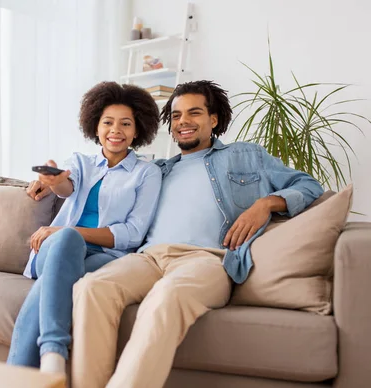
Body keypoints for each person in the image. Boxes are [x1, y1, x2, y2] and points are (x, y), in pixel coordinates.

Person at [68, 80, 325, 388]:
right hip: (149, 259)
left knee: (166, 298)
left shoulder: (245, 156)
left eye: (194, 113)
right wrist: (53, 183)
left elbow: (309, 186)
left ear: (213, 120)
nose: (183, 122)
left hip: (207, 261)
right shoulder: (157, 170)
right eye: (176, 116)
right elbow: (103, 181)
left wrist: (266, 203)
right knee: (92, 288)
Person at [6, 81, 163, 375]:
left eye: (125, 124)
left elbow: (132, 233)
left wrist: (72, 232)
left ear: (137, 130)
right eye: (108, 122)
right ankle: (54, 352)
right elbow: (68, 185)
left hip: (105, 256)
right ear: (95, 126)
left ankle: (35, 366)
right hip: (55, 249)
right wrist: (55, 182)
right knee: (66, 240)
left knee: (50, 282)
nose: (116, 130)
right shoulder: (80, 162)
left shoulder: (147, 174)